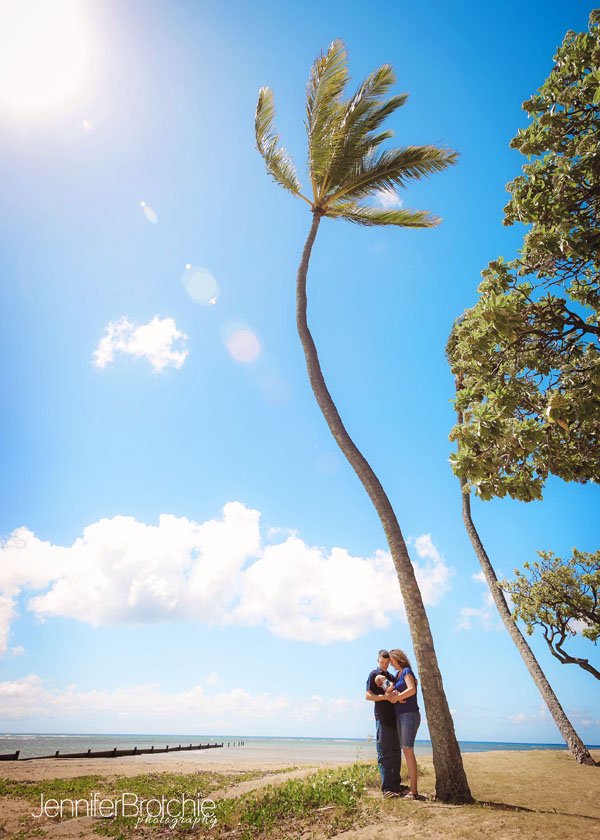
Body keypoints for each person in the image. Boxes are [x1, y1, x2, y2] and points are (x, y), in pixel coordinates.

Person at [365, 649, 403, 798]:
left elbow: (394, 692)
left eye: (387, 663)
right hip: (382, 719)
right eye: (382, 662)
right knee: (384, 754)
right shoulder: (375, 674)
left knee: (396, 753)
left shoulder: (391, 676)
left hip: (395, 720)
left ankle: (396, 785)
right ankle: (386, 789)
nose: (385, 665)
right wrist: (383, 697)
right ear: (378, 660)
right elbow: (368, 696)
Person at [387, 648, 421, 800]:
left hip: (409, 715)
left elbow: (412, 690)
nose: (390, 663)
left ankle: (413, 792)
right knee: (406, 750)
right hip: (401, 715)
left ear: (396, 659)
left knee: (408, 750)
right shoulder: (397, 674)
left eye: (391, 660)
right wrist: (395, 696)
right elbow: (393, 691)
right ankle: (412, 790)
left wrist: (398, 696)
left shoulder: (407, 671)